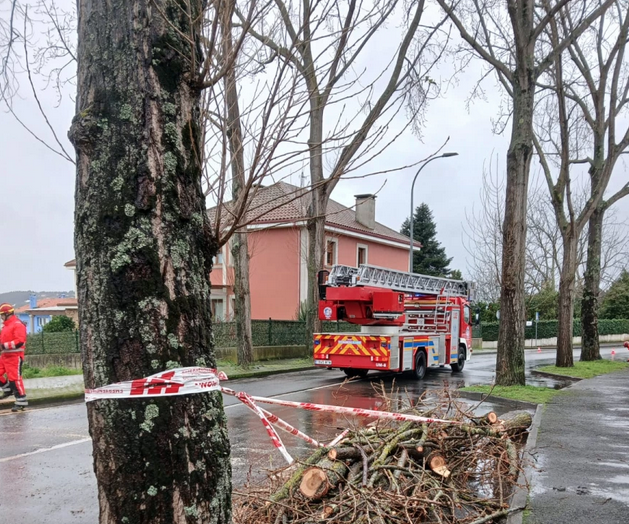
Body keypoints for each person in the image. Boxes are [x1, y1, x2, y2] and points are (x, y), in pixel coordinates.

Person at [0, 303, 28, 412]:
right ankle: (8, 390)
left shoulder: (18, 325)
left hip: (14, 357)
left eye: (2, 315)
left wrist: (3, 346)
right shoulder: (6, 326)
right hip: (5, 356)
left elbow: (19, 342)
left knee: (14, 379)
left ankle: (21, 401)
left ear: (7, 314)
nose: (1, 317)